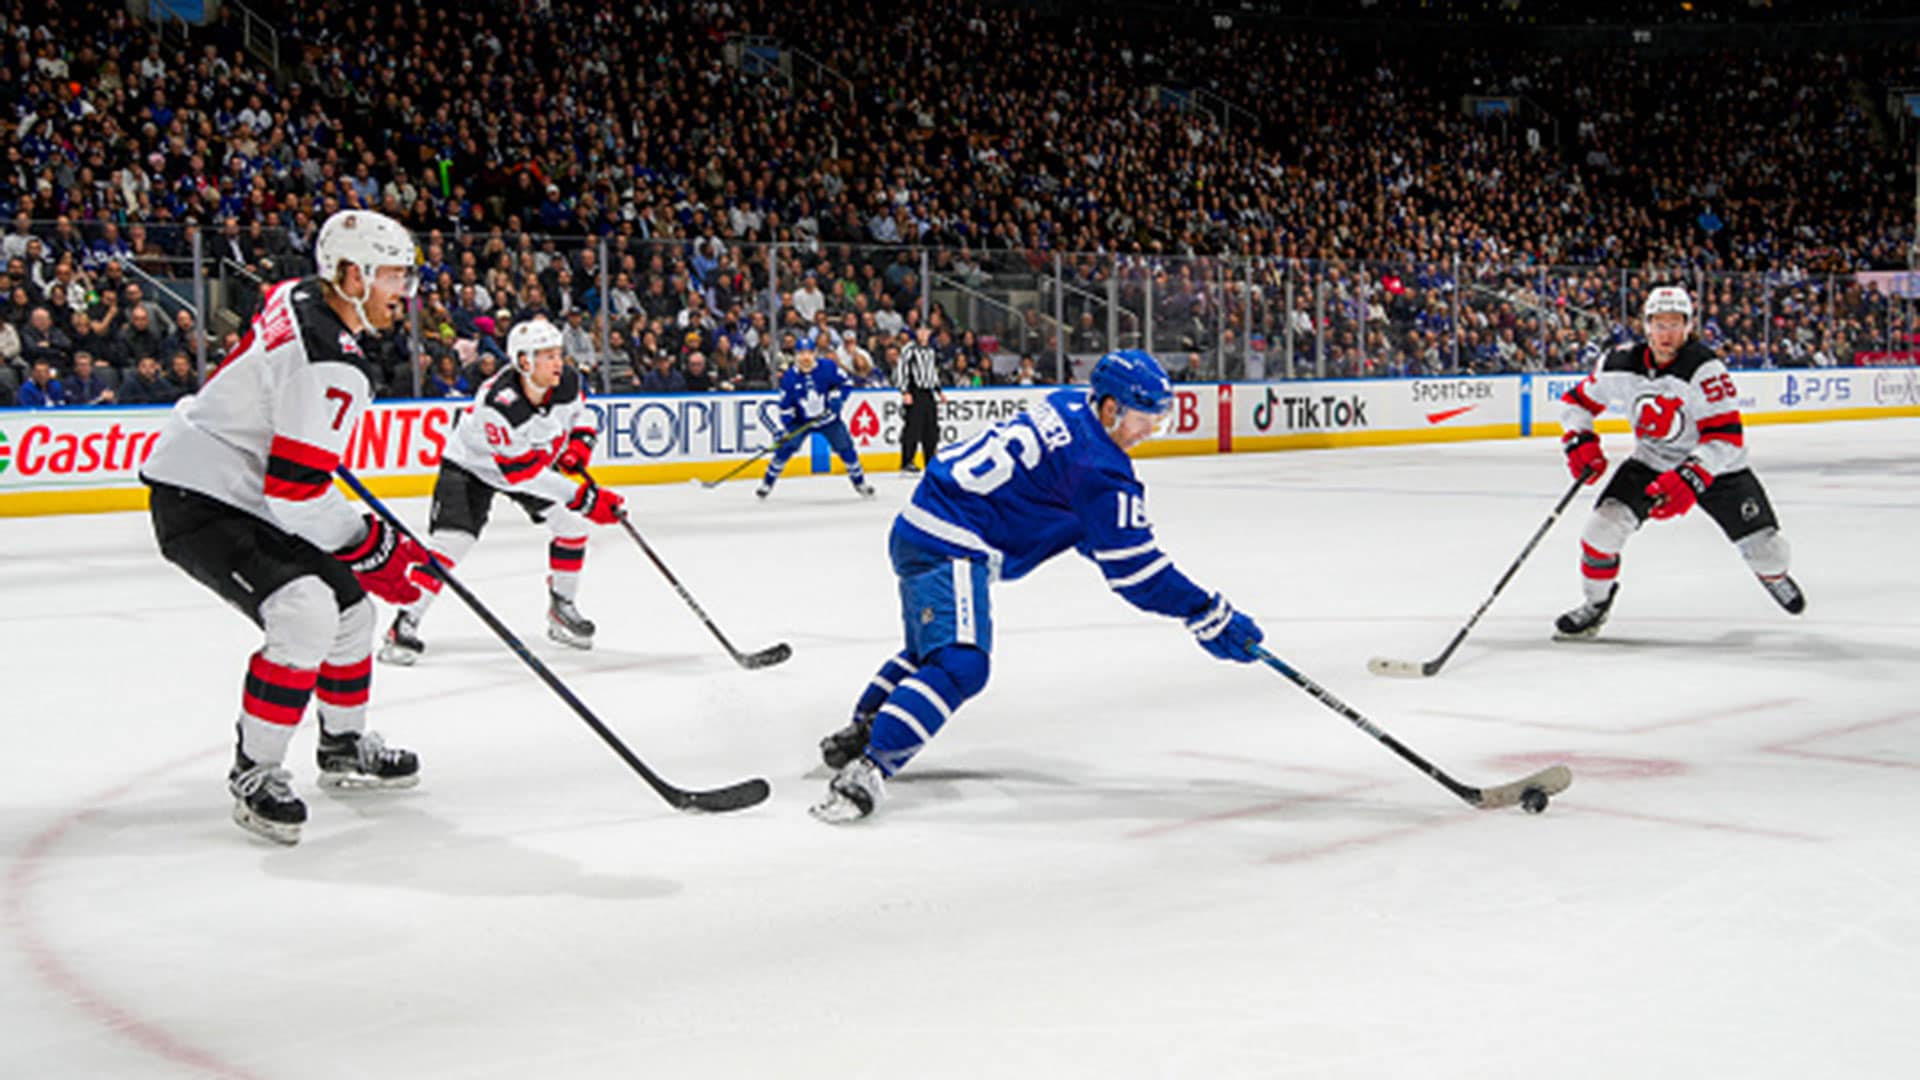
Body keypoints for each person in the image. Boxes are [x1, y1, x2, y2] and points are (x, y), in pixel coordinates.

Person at [810, 349, 1266, 823]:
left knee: (930, 651)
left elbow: (1054, 496)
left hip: (918, 525)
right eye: (1144, 418)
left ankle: (861, 731)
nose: (1150, 430)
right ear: (1110, 408)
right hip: (954, 541)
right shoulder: (1102, 471)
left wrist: (1097, 536)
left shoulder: (1067, 401)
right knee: (961, 664)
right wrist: (1206, 611)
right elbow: (1138, 574)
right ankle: (869, 767)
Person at [138, 209, 431, 845]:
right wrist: (372, 546)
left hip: (239, 482)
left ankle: (343, 745)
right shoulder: (332, 362)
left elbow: (281, 417)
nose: (403, 293)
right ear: (351, 274)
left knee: (352, 613)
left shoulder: (298, 294)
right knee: (305, 611)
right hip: (201, 495)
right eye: (392, 277)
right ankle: (256, 769)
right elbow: (296, 494)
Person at [1554, 285, 1803, 639]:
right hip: (1651, 461)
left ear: (1688, 326)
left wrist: (1690, 477)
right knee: (1600, 530)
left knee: (1769, 552)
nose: (1666, 332)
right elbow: (1576, 402)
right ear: (1646, 325)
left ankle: (1773, 576)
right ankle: (1595, 605)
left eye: (1675, 323)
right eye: (1659, 323)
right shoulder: (1619, 363)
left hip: (1718, 469)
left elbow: (1726, 437)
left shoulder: (1705, 369)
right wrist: (1579, 439)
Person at [380, 316, 625, 664]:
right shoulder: (499, 403)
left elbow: (583, 415)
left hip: (525, 465)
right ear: (524, 361)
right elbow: (521, 474)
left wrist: (579, 446)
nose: (559, 362)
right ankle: (406, 620)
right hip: (471, 467)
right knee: (451, 544)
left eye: (558, 353)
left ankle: (561, 608)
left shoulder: (567, 380)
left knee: (572, 527)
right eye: (548, 356)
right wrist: (584, 498)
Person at [757, 336, 874, 500]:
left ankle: (860, 483)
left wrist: (838, 398)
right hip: (801, 421)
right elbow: (785, 407)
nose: (806, 357)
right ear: (796, 355)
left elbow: (846, 383)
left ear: (815, 353)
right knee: (785, 449)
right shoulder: (790, 378)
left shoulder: (828, 367)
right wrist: (787, 427)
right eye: (802, 353)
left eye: (809, 353)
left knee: (846, 449)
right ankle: (767, 483)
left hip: (829, 420)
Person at [896, 324, 943, 473]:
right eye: (921, 331)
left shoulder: (930, 350)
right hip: (914, 391)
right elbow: (902, 370)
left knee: (931, 428)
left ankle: (930, 460)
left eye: (926, 331)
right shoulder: (909, 349)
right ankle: (907, 461)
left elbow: (932, 372)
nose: (924, 334)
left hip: (928, 392)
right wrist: (905, 391)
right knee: (913, 428)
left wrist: (938, 390)